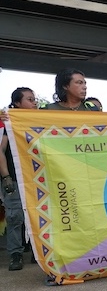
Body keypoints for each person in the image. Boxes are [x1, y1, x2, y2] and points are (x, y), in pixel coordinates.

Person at [0, 87, 38, 271]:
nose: (35, 103)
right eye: (30, 99)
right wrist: (5, 175)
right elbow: (0, 150)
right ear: (17, 103)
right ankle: (16, 254)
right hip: (14, 178)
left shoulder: (38, 121)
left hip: (36, 178)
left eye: (35, 99)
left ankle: (37, 251)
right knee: (15, 217)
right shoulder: (8, 123)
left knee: (38, 215)